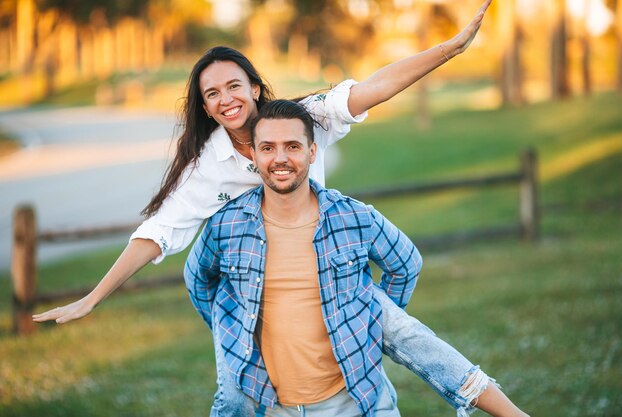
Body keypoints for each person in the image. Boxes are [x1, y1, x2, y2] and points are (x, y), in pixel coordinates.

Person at [32, 1, 524, 416]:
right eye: (212, 94)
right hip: (260, 293)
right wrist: (93, 297)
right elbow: (160, 236)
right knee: (237, 389)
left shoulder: (303, 118)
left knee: (413, 338)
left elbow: (374, 87)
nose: (226, 99)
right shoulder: (207, 169)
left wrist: (449, 49)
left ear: (254, 87)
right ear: (205, 108)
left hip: (330, 261)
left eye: (233, 86)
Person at [184, 99, 528, 417]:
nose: (280, 159)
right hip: (272, 407)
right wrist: (235, 327)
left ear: (312, 151)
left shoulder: (354, 217)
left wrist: (366, 321)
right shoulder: (226, 225)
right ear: (255, 156)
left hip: (355, 403)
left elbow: (406, 264)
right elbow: (198, 279)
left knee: (411, 335)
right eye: (268, 148)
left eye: (292, 146)